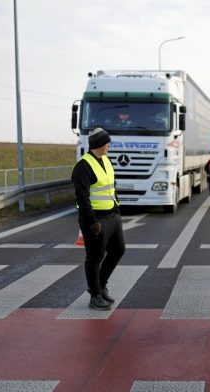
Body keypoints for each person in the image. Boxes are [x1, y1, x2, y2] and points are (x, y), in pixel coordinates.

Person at [71, 127, 126, 310]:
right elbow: (82, 198)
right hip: (96, 219)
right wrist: (92, 222)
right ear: (99, 144)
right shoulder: (83, 166)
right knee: (94, 257)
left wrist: (116, 207)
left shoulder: (105, 160)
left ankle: (100, 284)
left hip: (112, 214)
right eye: (107, 142)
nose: (109, 145)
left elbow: (112, 185)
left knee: (118, 250)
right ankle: (95, 295)